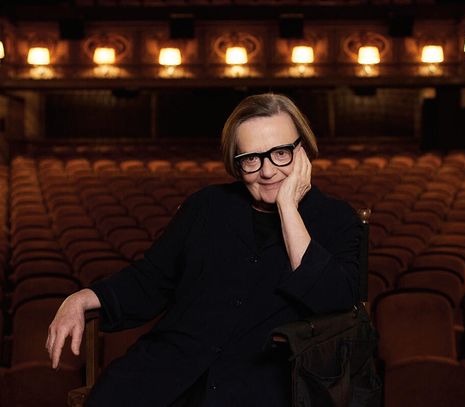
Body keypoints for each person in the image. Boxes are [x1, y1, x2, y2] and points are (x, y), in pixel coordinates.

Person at [46, 93, 365, 406]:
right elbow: (151, 279)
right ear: (236, 163)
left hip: (266, 382)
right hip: (171, 368)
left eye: (281, 153)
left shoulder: (337, 219)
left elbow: (333, 302)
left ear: (303, 150)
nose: (267, 171)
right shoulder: (206, 206)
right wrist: (82, 298)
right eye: (251, 159)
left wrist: (288, 209)